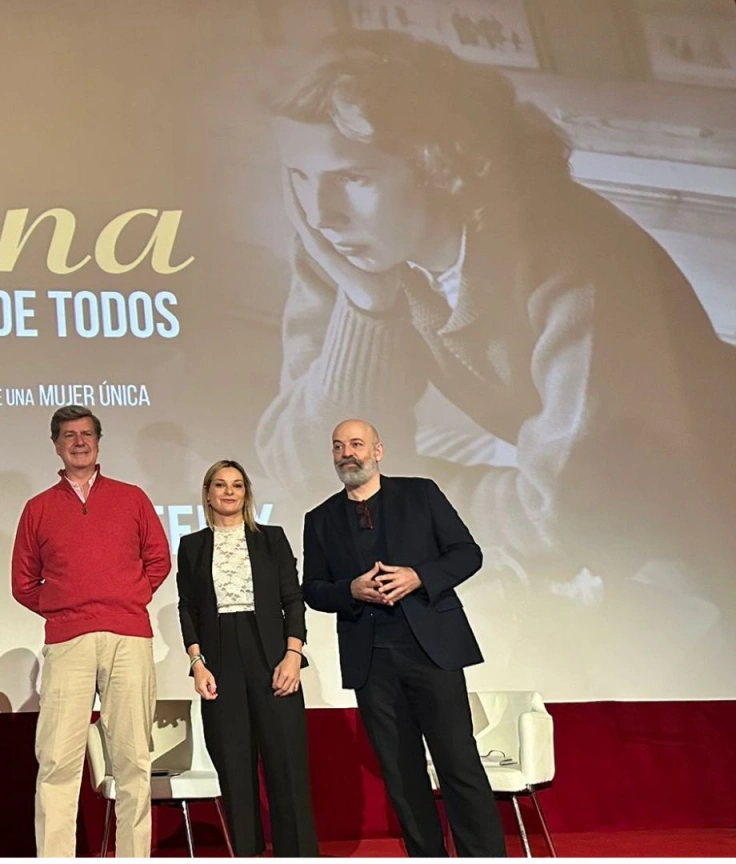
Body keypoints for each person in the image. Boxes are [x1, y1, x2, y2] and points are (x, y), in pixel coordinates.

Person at [254, 29, 736, 648]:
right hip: (629, 533)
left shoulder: (581, 261)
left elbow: (567, 506)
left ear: (438, 167)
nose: (322, 213)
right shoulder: (346, 252)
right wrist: (367, 306)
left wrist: (400, 509)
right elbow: (300, 466)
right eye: (298, 174)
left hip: (709, 512)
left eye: (354, 177)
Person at [303, 418, 504, 857]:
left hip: (431, 650)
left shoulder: (420, 493)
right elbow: (313, 589)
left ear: (378, 451)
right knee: (400, 774)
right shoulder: (319, 519)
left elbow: (467, 554)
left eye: (357, 444)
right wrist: (350, 590)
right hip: (371, 660)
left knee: (458, 763)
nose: (347, 453)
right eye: (338, 446)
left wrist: (419, 576)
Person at [11, 405, 171, 858]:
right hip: (68, 642)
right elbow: (23, 582)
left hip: (129, 637)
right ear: (55, 445)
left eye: (86, 434)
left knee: (133, 760)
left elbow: (159, 559)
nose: (78, 442)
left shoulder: (131, 498)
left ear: (98, 442)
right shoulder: (38, 508)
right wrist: (67, 610)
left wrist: (127, 598)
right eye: (68, 435)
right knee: (57, 760)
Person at [176, 460, 318, 857]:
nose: (229, 492)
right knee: (235, 770)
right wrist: (197, 663)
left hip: (272, 657)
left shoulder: (271, 538)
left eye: (237, 485)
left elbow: (293, 599)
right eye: (220, 485)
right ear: (208, 494)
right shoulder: (192, 546)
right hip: (221, 661)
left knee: (287, 767)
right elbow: (187, 607)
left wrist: (293, 655)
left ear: (246, 493)